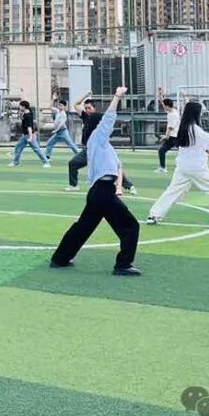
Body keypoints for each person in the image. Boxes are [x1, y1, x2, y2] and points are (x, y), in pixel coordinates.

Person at [50, 86, 140, 276]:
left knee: (82, 228)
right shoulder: (97, 139)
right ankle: (123, 265)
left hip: (100, 192)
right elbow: (108, 119)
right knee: (131, 226)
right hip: (103, 192)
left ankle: (60, 258)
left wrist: (119, 188)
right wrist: (117, 97)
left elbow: (118, 168)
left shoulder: (103, 145)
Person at [146, 101, 209, 230]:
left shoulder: (182, 127)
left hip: (182, 167)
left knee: (172, 191)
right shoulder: (194, 129)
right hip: (196, 167)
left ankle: (154, 215)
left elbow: (206, 141)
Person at [67, 94, 136, 193]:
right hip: (88, 149)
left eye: (89, 108)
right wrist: (86, 95)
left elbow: (107, 123)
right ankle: (73, 185)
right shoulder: (85, 116)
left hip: (98, 148)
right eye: (86, 108)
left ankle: (129, 185)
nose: (87, 110)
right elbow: (76, 105)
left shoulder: (99, 117)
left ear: (94, 108)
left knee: (113, 166)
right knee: (73, 163)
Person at [10, 99, 49, 168]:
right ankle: (16, 162)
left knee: (36, 149)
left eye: (20, 106)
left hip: (29, 135)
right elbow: (22, 119)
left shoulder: (27, 115)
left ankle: (46, 162)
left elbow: (29, 127)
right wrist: (20, 113)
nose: (19, 107)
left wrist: (30, 137)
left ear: (24, 107)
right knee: (18, 147)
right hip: (25, 135)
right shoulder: (27, 112)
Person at [156, 87, 180, 174]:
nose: (163, 107)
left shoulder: (173, 115)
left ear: (167, 106)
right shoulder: (171, 111)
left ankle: (163, 168)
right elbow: (163, 102)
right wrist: (160, 95)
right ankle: (162, 168)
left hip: (174, 137)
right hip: (174, 136)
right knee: (162, 150)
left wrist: (166, 136)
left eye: (164, 106)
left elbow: (170, 127)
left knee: (162, 150)